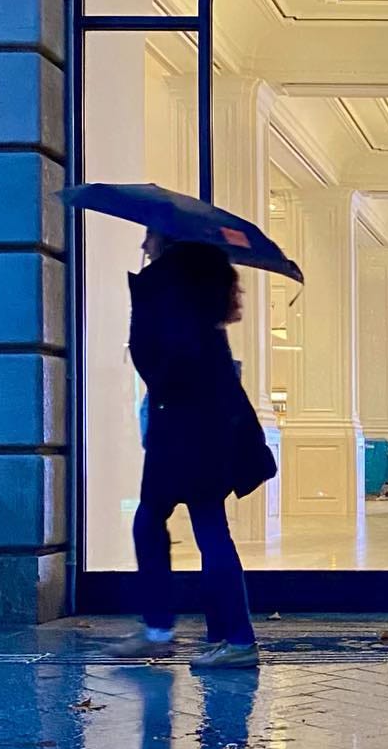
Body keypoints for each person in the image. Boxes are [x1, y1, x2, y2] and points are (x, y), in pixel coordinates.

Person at [110, 231, 274, 668]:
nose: (143, 246)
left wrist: (142, 305)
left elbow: (156, 360)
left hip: (181, 428)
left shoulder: (165, 284)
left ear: (165, 240)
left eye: (148, 237)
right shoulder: (202, 284)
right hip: (209, 428)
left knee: (154, 522)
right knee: (206, 527)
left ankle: (190, 633)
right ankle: (224, 635)